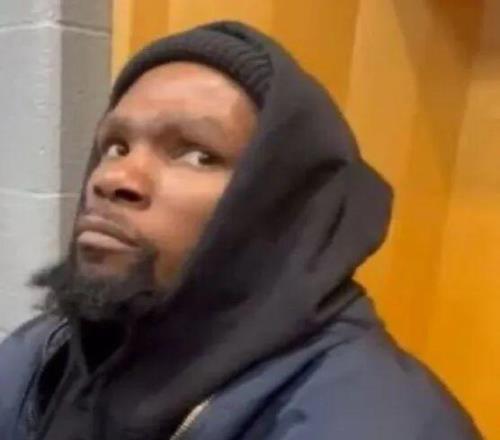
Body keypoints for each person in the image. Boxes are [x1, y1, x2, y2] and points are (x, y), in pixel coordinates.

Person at [0, 21, 481, 440]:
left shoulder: (375, 420)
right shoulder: (44, 353)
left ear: (281, 206)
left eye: (197, 154)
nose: (113, 178)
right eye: (116, 145)